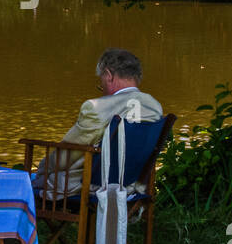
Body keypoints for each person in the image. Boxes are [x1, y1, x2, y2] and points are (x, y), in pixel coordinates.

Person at [34, 48, 163, 196]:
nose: (102, 89)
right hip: (133, 184)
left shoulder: (96, 108)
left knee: (42, 178)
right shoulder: (155, 106)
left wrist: (43, 169)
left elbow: (68, 154)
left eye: (101, 82)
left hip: (95, 184)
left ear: (109, 76)